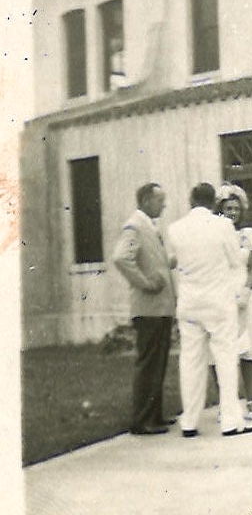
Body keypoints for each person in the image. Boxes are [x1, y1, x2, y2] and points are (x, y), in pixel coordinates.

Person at [165, 182, 252, 436]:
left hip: (189, 302)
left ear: (191, 200)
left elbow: (175, 261)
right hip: (218, 301)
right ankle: (230, 421)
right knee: (226, 359)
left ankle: (190, 422)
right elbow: (235, 260)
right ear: (213, 202)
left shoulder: (176, 229)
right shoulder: (223, 226)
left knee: (191, 361)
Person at [111, 182, 176, 435]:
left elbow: (154, 261)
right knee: (149, 363)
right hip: (148, 308)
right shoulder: (134, 226)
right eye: (160, 200)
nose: (164, 204)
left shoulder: (148, 225)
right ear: (147, 200)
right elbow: (120, 257)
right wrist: (146, 284)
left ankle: (154, 415)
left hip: (159, 308)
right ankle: (142, 420)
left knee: (157, 363)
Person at [216, 185, 252, 420]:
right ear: (220, 210)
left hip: (245, 294)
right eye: (227, 208)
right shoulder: (214, 234)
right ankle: (227, 401)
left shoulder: (247, 235)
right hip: (222, 294)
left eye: (235, 208)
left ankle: (251, 399)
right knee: (222, 348)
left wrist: (247, 288)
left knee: (249, 347)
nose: (232, 212)